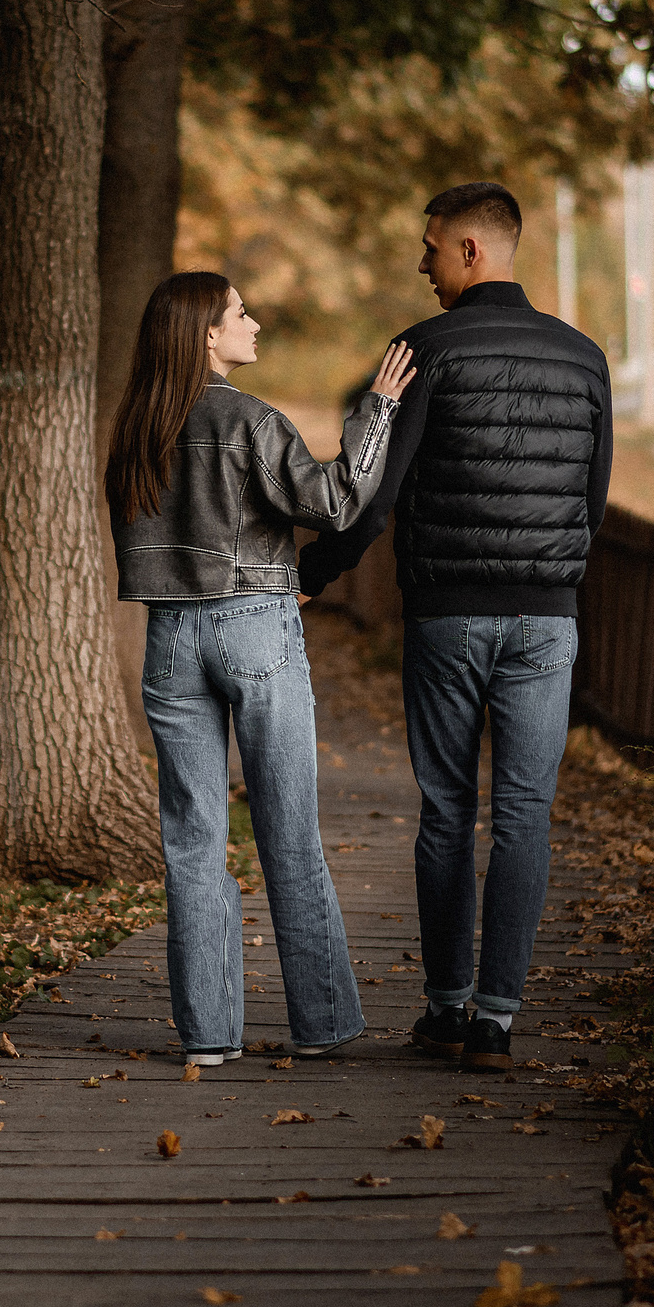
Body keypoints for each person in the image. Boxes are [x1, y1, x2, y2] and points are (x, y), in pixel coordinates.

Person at [299, 183, 613, 1075]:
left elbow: (373, 496)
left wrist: (312, 574)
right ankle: (498, 1019)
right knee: (524, 814)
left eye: (432, 247)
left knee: (448, 809)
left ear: (472, 251)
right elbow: (591, 505)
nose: (423, 265)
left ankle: (443, 1007)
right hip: (548, 618)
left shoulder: (422, 350)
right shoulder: (583, 357)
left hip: (446, 615)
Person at [107, 271, 416, 1068]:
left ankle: (209, 1035)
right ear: (207, 334)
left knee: (193, 837)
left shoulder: (139, 426)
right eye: (240, 313)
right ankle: (320, 1024)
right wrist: (376, 413)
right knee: (289, 831)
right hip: (254, 628)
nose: (255, 321)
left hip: (171, 636)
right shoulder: (248, 421)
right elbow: (339, 500)